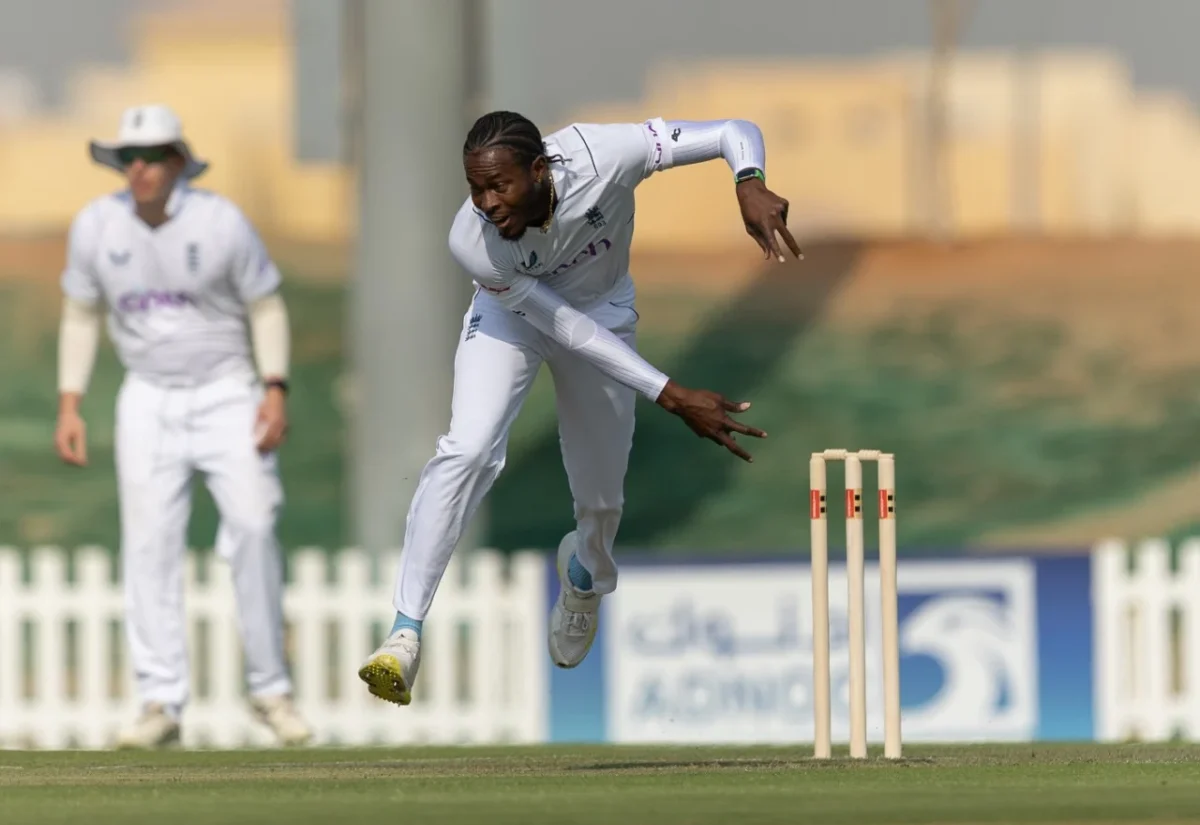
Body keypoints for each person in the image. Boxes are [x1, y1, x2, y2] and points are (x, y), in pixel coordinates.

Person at [359, 111, 801, 705]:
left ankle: (585, 575)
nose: (486, 203)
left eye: (500, 186)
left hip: (603, 312)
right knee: (468, 449)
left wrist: (747, 179)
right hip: (514, 321)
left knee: (600, 499)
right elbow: (560, 327)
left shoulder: (607, 154)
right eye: (475, 188)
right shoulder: (472, 241)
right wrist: (668, 392)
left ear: (540, 170)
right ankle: (404, 633)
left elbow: (732, 131)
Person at [54, 104, 312, 748]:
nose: (137, 169)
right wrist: (69, 402)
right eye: (127, 158)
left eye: (151, 156)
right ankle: (159, 702)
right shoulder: (95, 227)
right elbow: (81, 314)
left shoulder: (221, 222)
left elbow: (265, 306)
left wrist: (273, 390)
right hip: (147, 398)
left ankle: (270, 691)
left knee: (254, 527)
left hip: (228, 392)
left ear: (177, 160)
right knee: (149, 546)